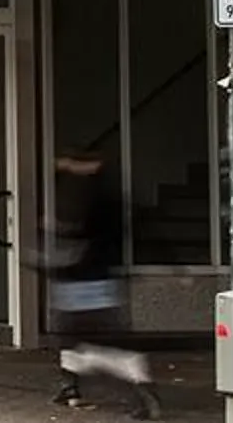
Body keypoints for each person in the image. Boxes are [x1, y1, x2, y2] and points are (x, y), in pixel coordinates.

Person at [41, 150, 159, 418]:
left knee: (83, 343)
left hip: (81, 280)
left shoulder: (94, 200)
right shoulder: (116, 201)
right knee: (73, 339)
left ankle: (138, 380)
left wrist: (58, 229)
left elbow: (84, 234)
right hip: (103, 280)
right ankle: (70, 386)